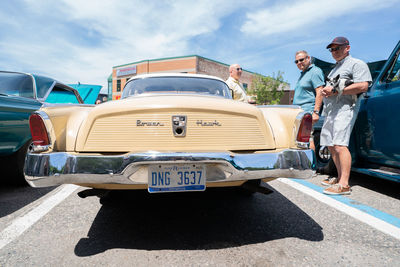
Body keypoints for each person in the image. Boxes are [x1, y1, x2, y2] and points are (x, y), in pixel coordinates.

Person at [320, 37, 372, 195]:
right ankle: (339, 177)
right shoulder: (334, 69)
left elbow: (364, 85)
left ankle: (344, 184)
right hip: (331, 110)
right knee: (330, 145)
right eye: (331, 49)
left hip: (345, 108)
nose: (334, 52)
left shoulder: (357, 64)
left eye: (337, 48)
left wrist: (336, 91)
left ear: (347, 48)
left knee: (340, 145)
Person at [293, 50, 325, 151]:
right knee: (300, 142)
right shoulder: (303, 74)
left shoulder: (315, 71)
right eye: (296, 61)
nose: (299, 63)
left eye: (301, 60)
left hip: (307, 112)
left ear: (308, 58)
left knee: (307, 140)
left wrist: (315, 112)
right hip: (298, 112)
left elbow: (320, 91)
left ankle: (312, 165)